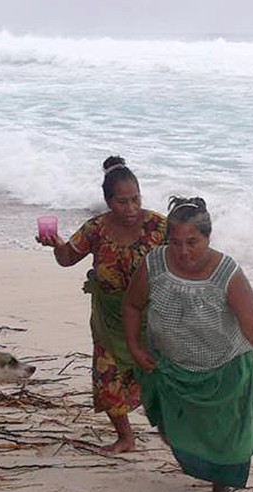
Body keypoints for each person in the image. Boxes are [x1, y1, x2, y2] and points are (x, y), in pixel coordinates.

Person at [122, 196, 253, 492]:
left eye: (192, 242)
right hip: (171, 366)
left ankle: (222, 489)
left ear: (208, 237)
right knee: (175, 429)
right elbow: (132, 305)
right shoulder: (155, 264)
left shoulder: (227, 274)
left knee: (229, 438)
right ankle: (200, 464)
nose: (183, 251)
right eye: (175, 242)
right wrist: (134, 346)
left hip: (224, 367)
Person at [37, 156, 166, 454]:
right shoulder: (96, 229)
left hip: (153, 317)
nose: (131, 208)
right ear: (108, 201)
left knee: (161, 378)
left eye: (136, 199)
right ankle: (125, 437)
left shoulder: (159, 226)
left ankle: (176, 433)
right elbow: (67, 259)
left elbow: (188, 254)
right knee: (107, 376)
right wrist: (56, 245)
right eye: (122, 202)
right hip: (109, 318)